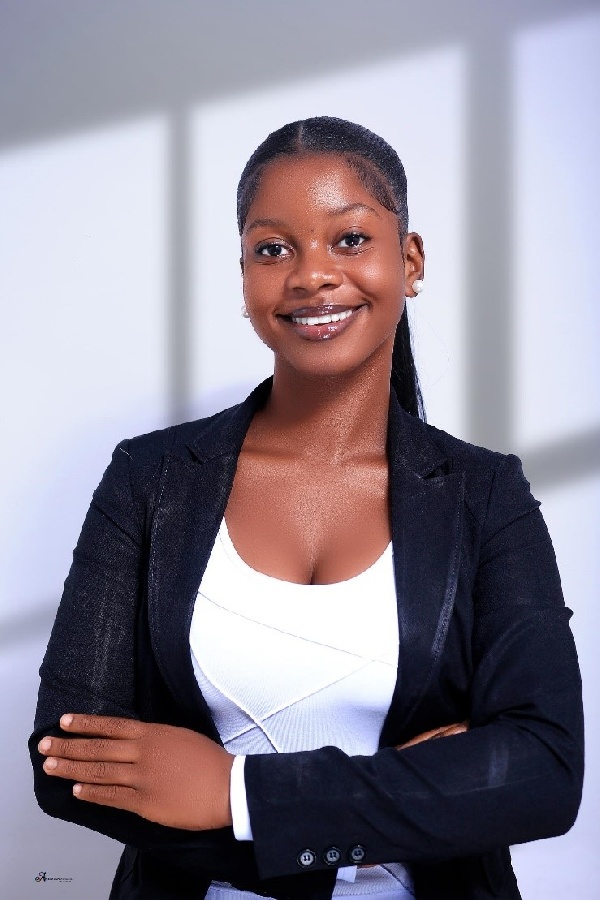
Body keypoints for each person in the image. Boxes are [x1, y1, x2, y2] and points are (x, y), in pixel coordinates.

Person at [29, 117, 584, 900]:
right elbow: (67, 762)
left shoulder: (485, 495)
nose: (310, 275)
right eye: (272, 249)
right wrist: (402, 799)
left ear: (410, 260)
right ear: (244, 277)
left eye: (350, 239)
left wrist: (236, 793)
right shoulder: (150, 480)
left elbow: (543, 771)